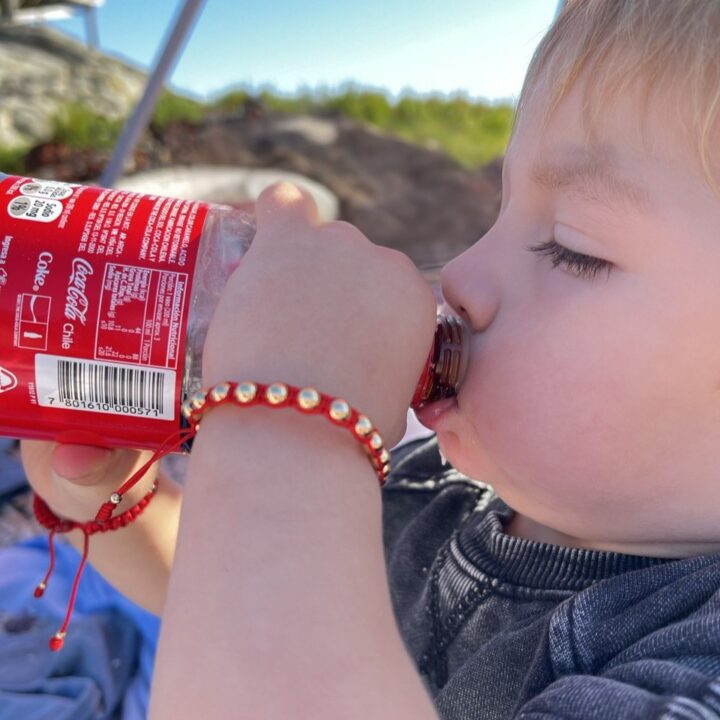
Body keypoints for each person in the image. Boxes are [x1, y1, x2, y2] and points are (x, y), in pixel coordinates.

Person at [19, 0, 720, 717]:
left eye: (573, 247)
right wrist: (117, 507)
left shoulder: (694, 672)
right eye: (499, 213)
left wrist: (289, 416)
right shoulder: (432, 487)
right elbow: (237, 603)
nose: (462, 274)